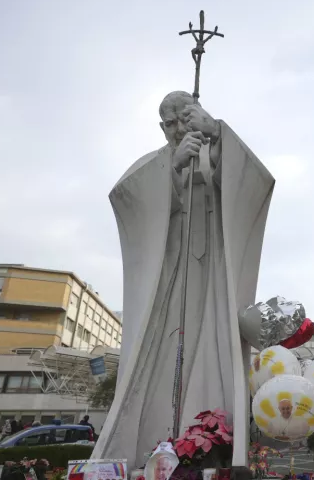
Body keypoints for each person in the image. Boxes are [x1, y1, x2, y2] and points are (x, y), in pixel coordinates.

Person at [93, 91, 274, 469]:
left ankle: (210, 444)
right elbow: (126, 198)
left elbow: (256, 182)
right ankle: (152, 443)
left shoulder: (217, 153)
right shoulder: (155, 164)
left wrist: (219, 136)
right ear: (162, 128)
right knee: (159, 355)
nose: (177, 129)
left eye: (184, 119)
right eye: (169, 124)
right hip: (167, 281)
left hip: (213, 281)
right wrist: (171, 170)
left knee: (213, 347)